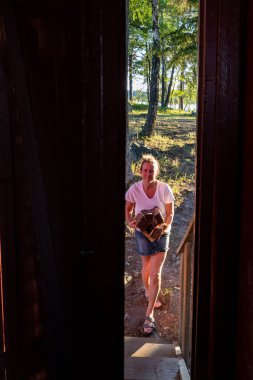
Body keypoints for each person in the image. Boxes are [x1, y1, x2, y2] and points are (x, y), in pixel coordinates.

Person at [125, 154, 174, 335]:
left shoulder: (164, 188)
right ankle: (148, 291)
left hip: (161, 234)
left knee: (156, 272)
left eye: (151, 171)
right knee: (146, 266)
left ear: (156, 172)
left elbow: (170, 213)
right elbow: (128, 209)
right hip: (142, 233)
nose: (148, 174)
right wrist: (130, 221)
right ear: (140, 172)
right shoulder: (134, 189)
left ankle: (149, 315)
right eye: (145, 170)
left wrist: (162, 228)